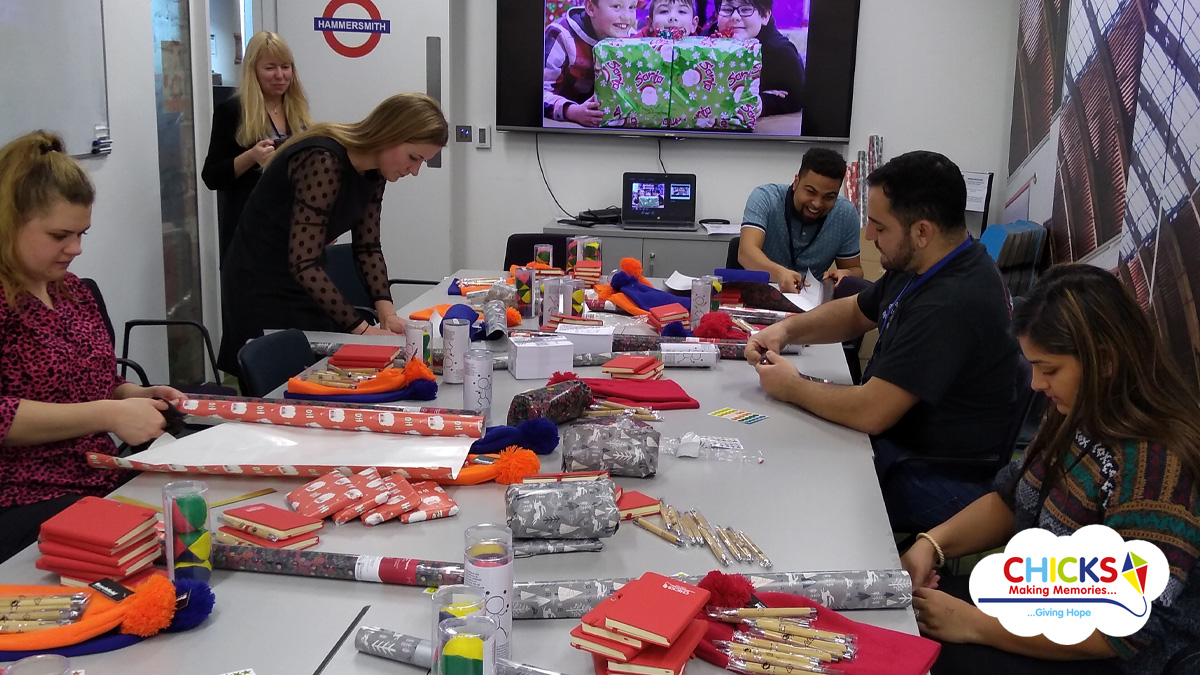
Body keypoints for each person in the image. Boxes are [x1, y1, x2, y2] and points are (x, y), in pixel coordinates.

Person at [904, 264, 1200, 675]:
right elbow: (1013, 498)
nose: (1036, 384)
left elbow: (1125, 629)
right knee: (907, 623)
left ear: (1105, 361)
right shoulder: (1077, 411)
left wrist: (977, 625)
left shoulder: (1153, 466)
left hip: (1113, 657)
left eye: (1049, 369)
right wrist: (930, 545)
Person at [745, 150, 1019, 531]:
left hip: (934, 473)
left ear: (922, 231)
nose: (869, 236)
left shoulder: (953, 300)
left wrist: (793, 387)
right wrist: (786, 331)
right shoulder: (926, 263)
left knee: (786, 488)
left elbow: (871, 412)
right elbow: (857, 311)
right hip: (900, 443)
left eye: (878, 226)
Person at [0, 131, 184, 563]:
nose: (76, 249)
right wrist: (109, 413)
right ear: (9, 222)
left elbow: (97, 381)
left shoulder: (73, 292)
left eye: (82, 234)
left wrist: (134, 396)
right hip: (24, 501)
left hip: (98, 479)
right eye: (60, 235)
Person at [216, 93, 448, 375]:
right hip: (261, 287)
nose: (414, 171)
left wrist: (387, 314)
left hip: (302, 282)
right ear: (390, 134)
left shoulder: (374, 172)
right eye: (414, 158)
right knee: (287, 384)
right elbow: (303, 262)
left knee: (323, 374)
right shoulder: (322, 160)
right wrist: (362, 331)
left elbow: (368, 247)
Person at [202, 31, 313, 265]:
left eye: (285, 67)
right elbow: (212, 176)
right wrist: (251, 157)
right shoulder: (232, 112)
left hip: (293, 231)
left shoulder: (298, 111)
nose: (280, 76)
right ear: (253, 70)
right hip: (250, 232)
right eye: (270, 68)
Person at [738, 147, 863, 293]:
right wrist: (779, 274)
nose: (817, 203)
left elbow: (856, 270)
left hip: (812, 305)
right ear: (796, 182)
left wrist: (847, 274)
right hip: (761, 294)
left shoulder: (845, 213)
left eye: (829, 197)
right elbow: (746, 253)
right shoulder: (765, 198)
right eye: (810, 192)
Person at [543, 0, 638, 127]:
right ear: (591, 8)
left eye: (632, 7)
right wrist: (572, 111)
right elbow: (539, 93)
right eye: (616, 6)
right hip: (563, 126)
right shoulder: (562, 35)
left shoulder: (633, 41)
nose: (627, 17)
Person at [711, 0, 804, 116]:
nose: (735, 17)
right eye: (727, 9)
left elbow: (799, 97)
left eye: (745, 10)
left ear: (765, 15)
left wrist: (764, 102)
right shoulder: (706, 43)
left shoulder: (780, 51)